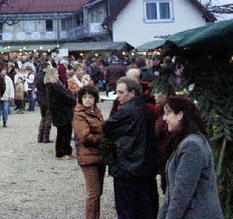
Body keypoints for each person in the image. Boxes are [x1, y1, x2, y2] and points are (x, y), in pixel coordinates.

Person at [158, 96, 224, 219]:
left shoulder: (192, 145)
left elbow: (182, 193)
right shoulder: (185, 142)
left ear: (180, 115)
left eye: (167, 114)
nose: (164, 118)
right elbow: (171, 194)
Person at [103, 77, 158, 219]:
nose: (118, 96)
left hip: (126, 167)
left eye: (121, 93)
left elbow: (107, 127)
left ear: (132, 93)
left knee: (127, 209)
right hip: (144, 166)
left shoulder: (127, 110)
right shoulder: (145, 109)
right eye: (117, 92)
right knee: (145, 207)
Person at [72, 85, 105, 219]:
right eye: (84, 97)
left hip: (99, 155)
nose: (87, 100)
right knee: (93, 192)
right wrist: (103, 139)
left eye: (90, 97)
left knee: (98, 192)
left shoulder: (96, 111)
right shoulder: (79, 114)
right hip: (88, 156)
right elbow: (84, 136)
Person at [45, 66, 76, 158]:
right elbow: (64, 97)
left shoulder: (55, 84)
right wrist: (73, 100)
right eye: (56, 73)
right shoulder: (53, 86)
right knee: (62, 133)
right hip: (60, 112)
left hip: (62, 111)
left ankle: (67, 150)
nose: (58, 75)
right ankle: (61, 152)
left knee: (67, 132)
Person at [36, 63, 52, 143]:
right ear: (44, 68)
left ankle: (40, 137)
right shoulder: (45, 77)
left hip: (40, 99)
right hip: (47, 99)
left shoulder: (37, 76)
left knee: (43, 118)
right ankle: (46, 137)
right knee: (48, 118)